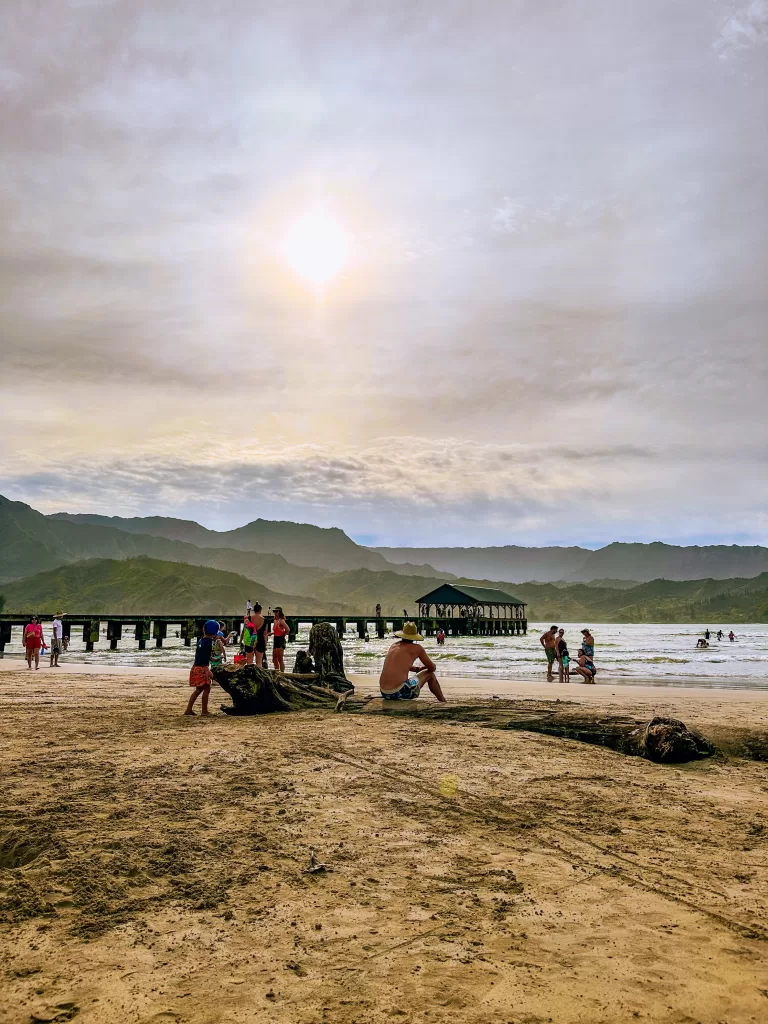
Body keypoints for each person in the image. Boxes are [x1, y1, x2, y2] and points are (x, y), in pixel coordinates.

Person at [379, 622, 446, 702]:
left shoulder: (394, 645)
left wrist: (417, 669)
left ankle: (442, 701)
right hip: (399, 692)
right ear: (414, 636)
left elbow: (399, 664)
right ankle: (443, 701)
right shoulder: (417, 648)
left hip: (384, 692)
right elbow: (431, 668)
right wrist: (433, 666)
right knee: (430, 675)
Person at [184, 619, 220, 716]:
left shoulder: (201, 640)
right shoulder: (209, 643)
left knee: (198, 690)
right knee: (207, 689)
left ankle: (188, 709)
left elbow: (202, 655)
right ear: (215, 633)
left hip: (196, 667)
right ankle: (204, 711)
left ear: (204, 629)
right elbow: (205, 658)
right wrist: (207, 670)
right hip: (202, 668)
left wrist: (213, 659)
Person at [272, 606, 289, 673]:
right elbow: (276, 631)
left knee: (280, 659)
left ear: (279, 612)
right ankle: (277, 672)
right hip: (275, 639)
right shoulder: (275, 620)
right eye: (274, 611)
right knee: (274, 659)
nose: (275, 613)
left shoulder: (281, 621)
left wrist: (283, 634)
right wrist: (272, 633)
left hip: (280, 639)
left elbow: (287, 629)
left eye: (276, 611)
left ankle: (282, 673)